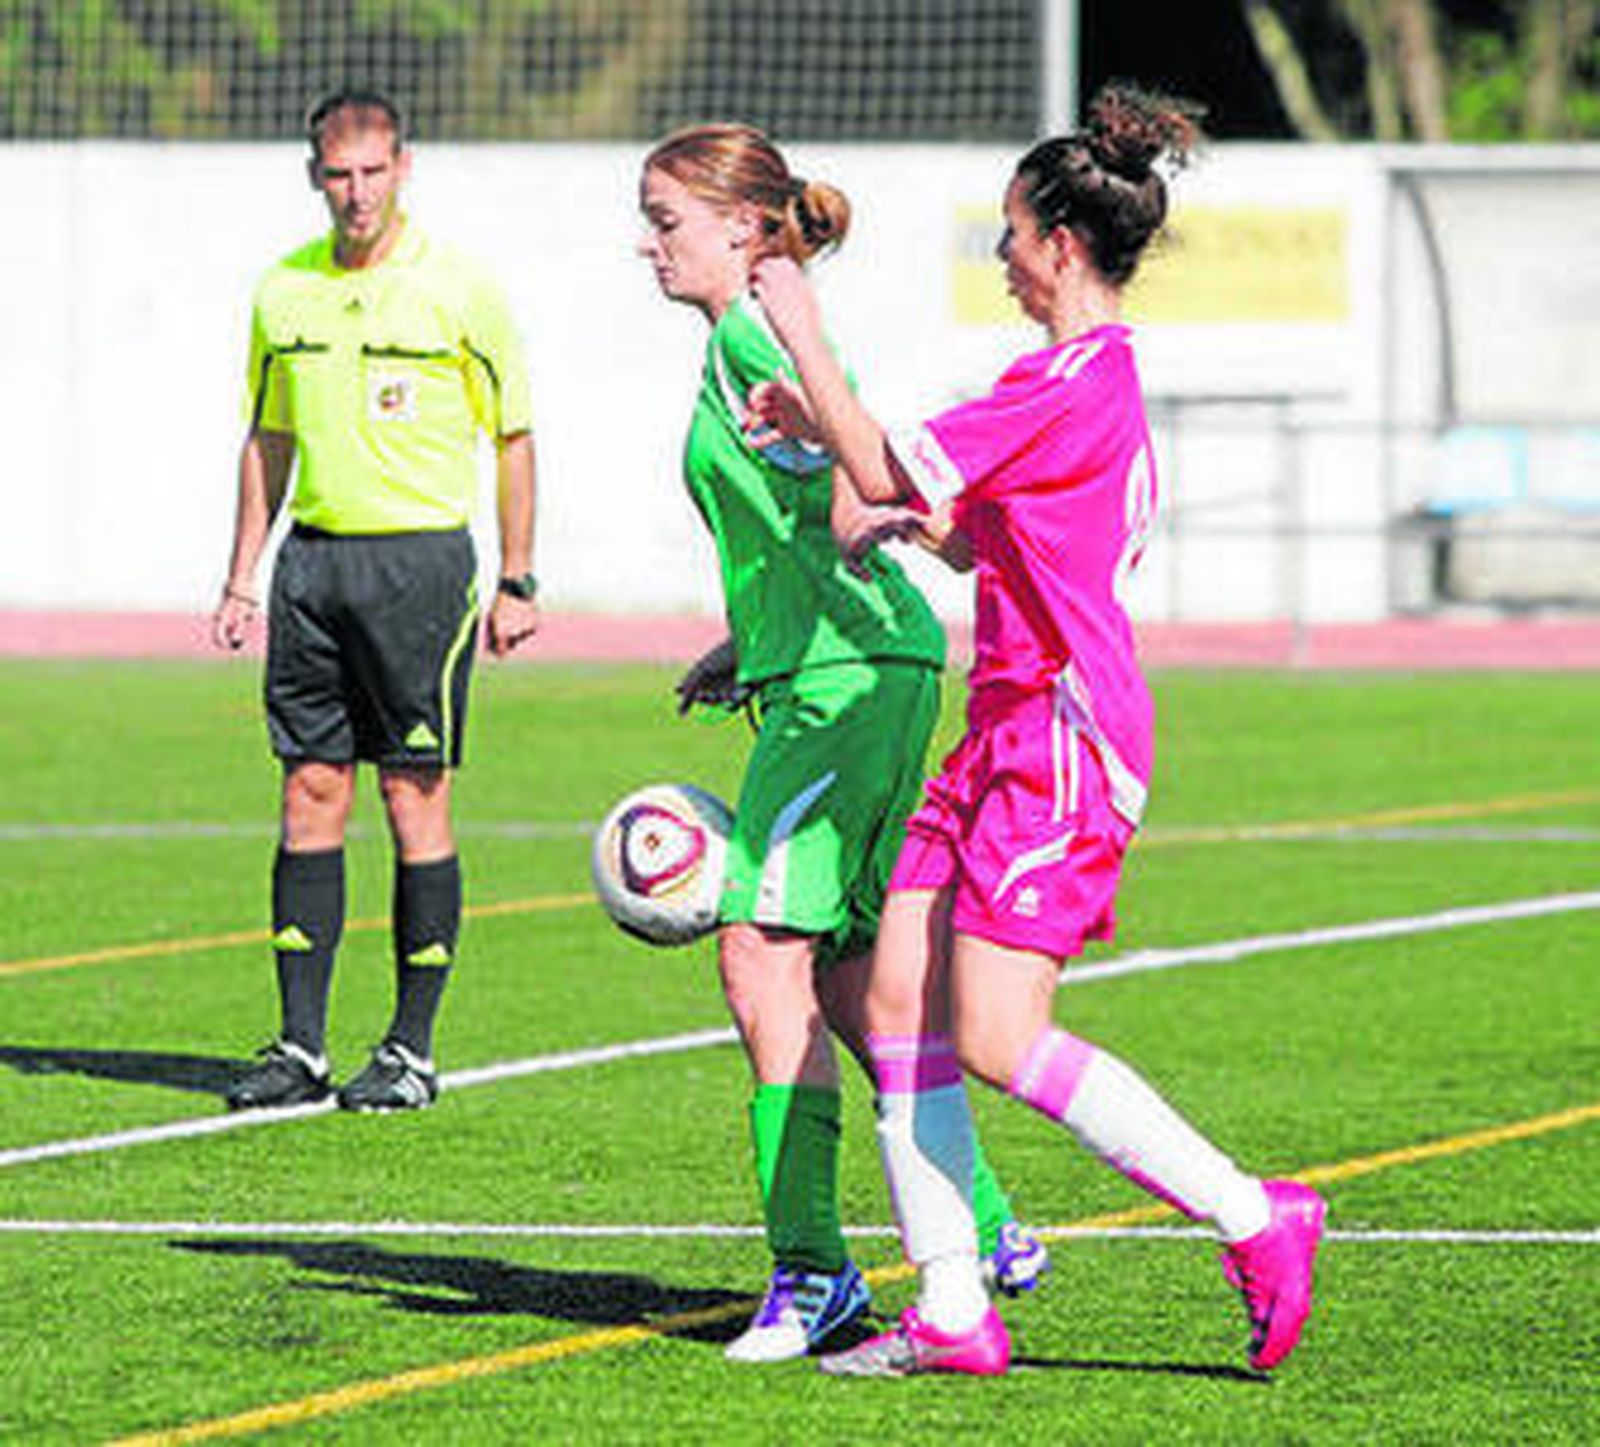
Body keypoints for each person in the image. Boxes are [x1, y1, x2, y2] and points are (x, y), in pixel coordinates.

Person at [746, 83, 1327, 1377]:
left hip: (1060, 741)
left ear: (1062, 243)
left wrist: (807, 345)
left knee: (997, 1031)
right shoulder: (1061, 381)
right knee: (897, 998)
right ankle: (952, 1303)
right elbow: (952, 530)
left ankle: (1254, 1211)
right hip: (996, 732)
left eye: (1012, 234)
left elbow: (897, 469)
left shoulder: (1077, 378)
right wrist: (830, 443)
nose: (1003, 259)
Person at [637, 123, 1049, 1364]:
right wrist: (751, 640)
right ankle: (982, 1223)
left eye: (666, 219)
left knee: (758, 953)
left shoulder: (758, 334)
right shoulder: (738, 343)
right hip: (840, 664)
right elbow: (812, 511)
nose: (647, 243)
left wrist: (857, 514)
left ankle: (814, 1272)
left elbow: (855, 469)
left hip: (847, 682)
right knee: (844, 977)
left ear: (744, 227)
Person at [212, 88, 540, 1114]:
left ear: (404, 168)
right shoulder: (283, 293)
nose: (356, 193)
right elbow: (268, 437)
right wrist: (242, 574)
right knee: (309, 789)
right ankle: (299, 1045)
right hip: (313, 568)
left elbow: (513, 436)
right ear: (315, 176)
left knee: (411, 795)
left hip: (420, 573)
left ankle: (408, 1047)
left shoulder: (459, 289)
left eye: (372, 172)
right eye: (337, 175)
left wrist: (519, 574)